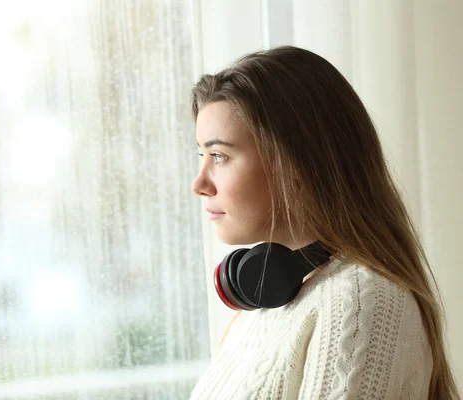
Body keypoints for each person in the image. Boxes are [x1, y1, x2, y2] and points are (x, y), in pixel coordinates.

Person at [189, 46, 460, 400]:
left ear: (297, 163)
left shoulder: (361, 303)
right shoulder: (270, 305)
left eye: (219, 156)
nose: (199, 184)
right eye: (202, 156)